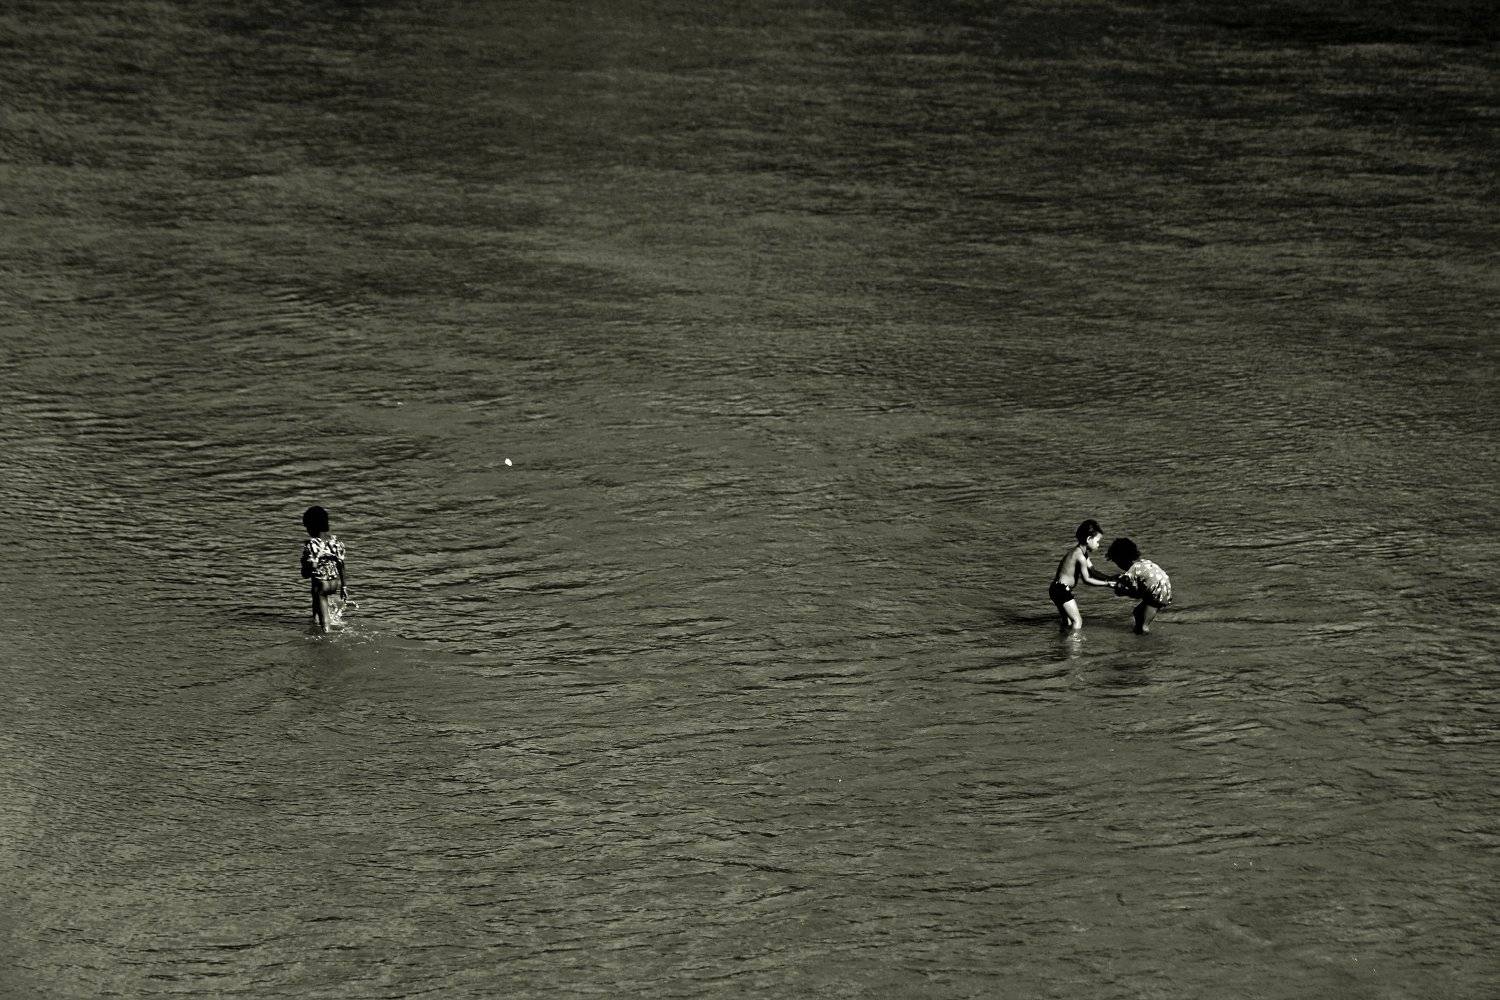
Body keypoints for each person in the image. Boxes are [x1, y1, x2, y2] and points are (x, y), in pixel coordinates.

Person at [1049, 519, 1113, 631]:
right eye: (1097, 541)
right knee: (1077, 621)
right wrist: (1107, 584)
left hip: (1055, 588)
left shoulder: (1081, 552)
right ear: (1088, 539)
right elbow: (1087, 579)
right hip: (1061, 589)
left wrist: (1111, 578)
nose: (1098, 544)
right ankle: (1075, 642)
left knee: (1067, 622)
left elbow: (1093, 571)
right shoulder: (1080, 556)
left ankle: (1062, 641)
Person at [1105, 537, 1171, 634]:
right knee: (1137, 612)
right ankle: (1138, 634)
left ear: (1120, 560)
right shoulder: (1143, 563)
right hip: (1164, 590)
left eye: (1116, 562)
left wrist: (1122, 592)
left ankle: (1143, 638)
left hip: (1156, 595)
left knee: (1144, 626)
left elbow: (1136, 594)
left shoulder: (1131, 572)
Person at [300, 505, 347, 631]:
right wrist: (344, 587)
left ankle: (326, 632)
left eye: (307, 527)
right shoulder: (335, 543)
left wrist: (306, 568)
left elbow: (310, 569)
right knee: (315, 592)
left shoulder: (312, 545)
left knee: (324, 620)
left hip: (322, 585)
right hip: (335, 583)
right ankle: (315, 621)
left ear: (312, 527)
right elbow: (341, 564)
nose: (307, 531)